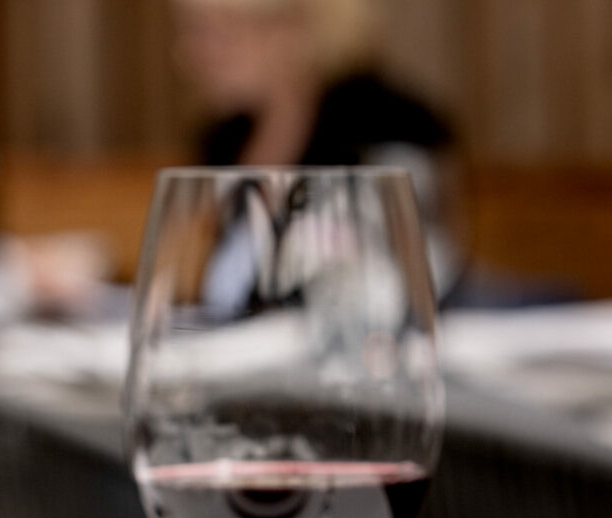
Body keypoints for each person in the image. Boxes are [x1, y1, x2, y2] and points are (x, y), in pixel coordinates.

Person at [172, 0, 464, 300]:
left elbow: (419, 277)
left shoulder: (390, 124)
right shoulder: (226, 140)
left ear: (292, 29)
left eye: (214, 30)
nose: (189, 51)